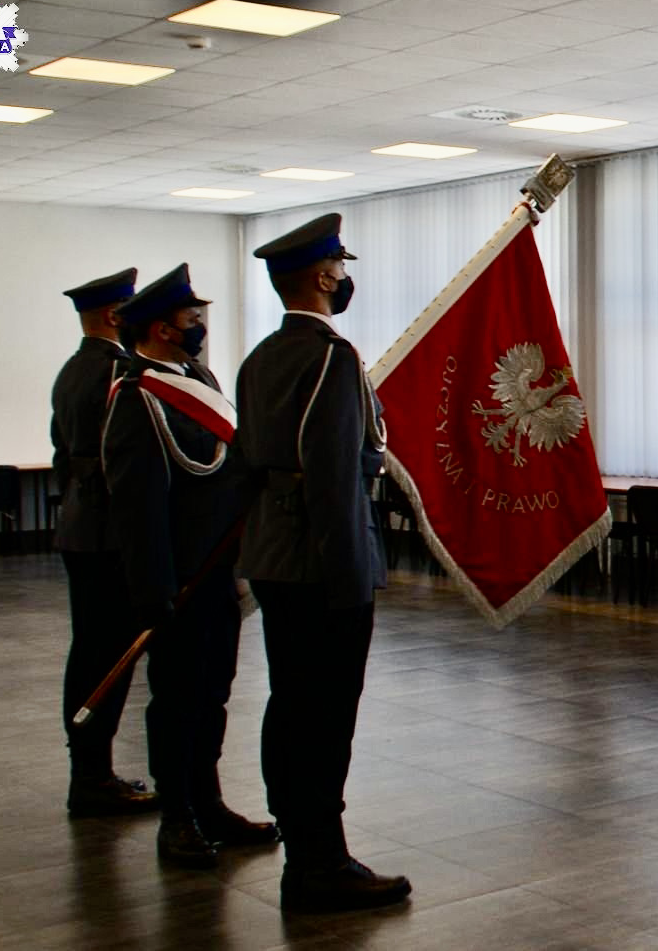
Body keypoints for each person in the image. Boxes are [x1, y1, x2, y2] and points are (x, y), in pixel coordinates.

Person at [236, 214, 411, 912]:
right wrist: (349, 581)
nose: (346, 278)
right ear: (322, 277)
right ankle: (320, 863)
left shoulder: (261, 358)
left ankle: (303, 845)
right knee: (325, 714)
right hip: (322, 562)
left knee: (290, 705)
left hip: (276, 556)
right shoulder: (331, 359)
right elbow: (338, 478)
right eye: (341, 267)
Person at [101, 263, 278, 867]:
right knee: (176, 702)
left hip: (216, 575)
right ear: (163, 328)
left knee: (214, 695)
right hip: (178, 579)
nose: (201, 324)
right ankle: (176, 817)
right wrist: (153, 592)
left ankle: (209, 804)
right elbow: (138, 508)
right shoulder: (137, 397)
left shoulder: (196, 379)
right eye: (191, 317)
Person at [52, 267, 160, 817]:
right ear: (115, 316)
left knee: (89, 651)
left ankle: (88, 769)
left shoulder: (73, 370)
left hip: (79, 526)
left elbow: (60, 454)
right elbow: (124, 459)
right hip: (110, 533)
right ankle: (93, 777)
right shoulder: (119, 371)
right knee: (108, 657)